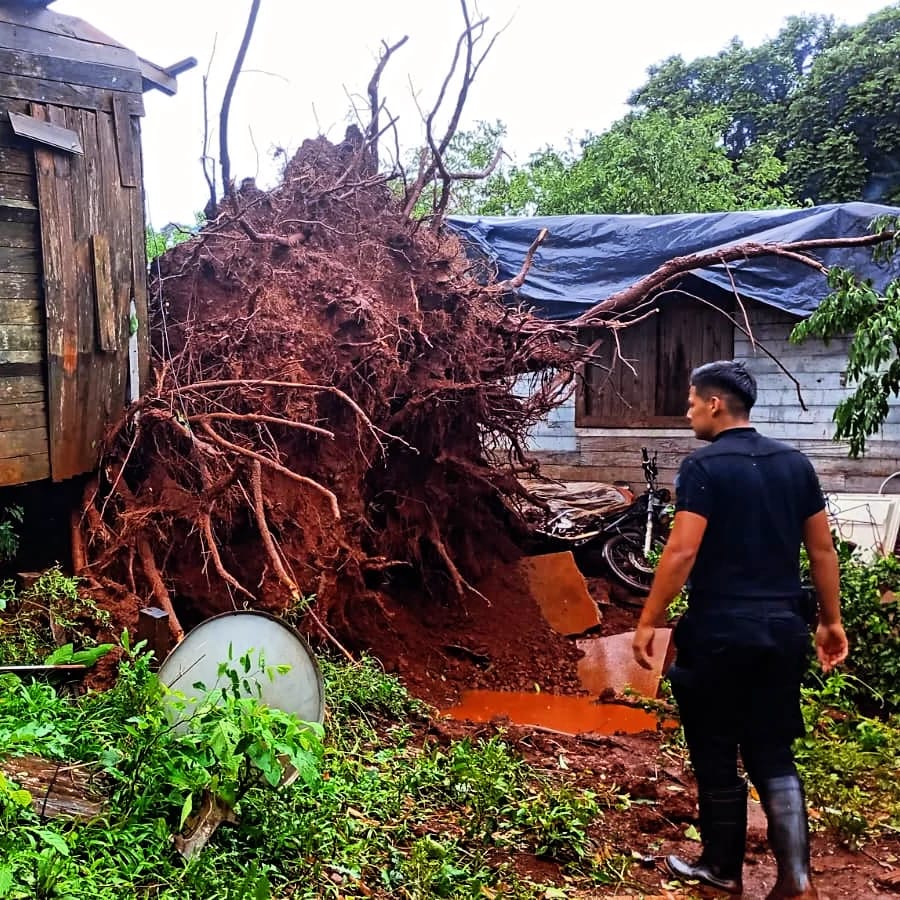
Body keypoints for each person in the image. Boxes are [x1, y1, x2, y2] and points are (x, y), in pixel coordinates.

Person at [632, 360, 848, 900]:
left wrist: (648, 620)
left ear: (715, 404)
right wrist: (830, 620)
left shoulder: (704, 468)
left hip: (719, 631)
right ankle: (796, 879)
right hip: (781, 631)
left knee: (714, 750)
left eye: (689, 403)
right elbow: (821, 550)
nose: (686, 413)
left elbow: (681, 550)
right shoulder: (796, 464)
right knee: (772, 749)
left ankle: (722, 869)